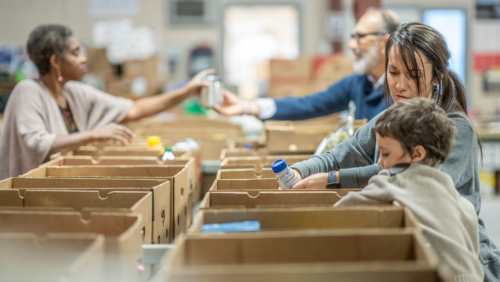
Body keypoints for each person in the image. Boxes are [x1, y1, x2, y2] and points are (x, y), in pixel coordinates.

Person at [288, 22, 500, 281]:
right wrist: (299, 170)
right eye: (393, 72)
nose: (400, 85)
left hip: (463, 260)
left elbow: (411, 177)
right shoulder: (388, 119)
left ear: (437, 77)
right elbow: (338, 155)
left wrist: (335, 179)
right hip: (411, 246)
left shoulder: (455, 127)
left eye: (413, 75)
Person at [0, 24, 213, 180]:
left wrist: (187, 92)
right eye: (76, 53)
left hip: (58, 186)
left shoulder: (74, 93)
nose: (84, 59)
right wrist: (94, 135)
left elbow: (134, 109)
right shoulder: (27, 91)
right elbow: (37, 142)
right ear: (55, 61)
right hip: (25, 194)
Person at [335, 98, 483, 282]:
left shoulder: (394, 180)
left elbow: (341, 212)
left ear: (417, 154)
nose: (379, 162)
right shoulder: (462, 203)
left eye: (385, 153)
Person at [214, 8, 399, 121]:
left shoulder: (403, 89)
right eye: (352, 37)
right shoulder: (356, 83)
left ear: (384, 43)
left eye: (360, 37)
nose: (351, 45)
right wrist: (247, 107)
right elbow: (309, 104)